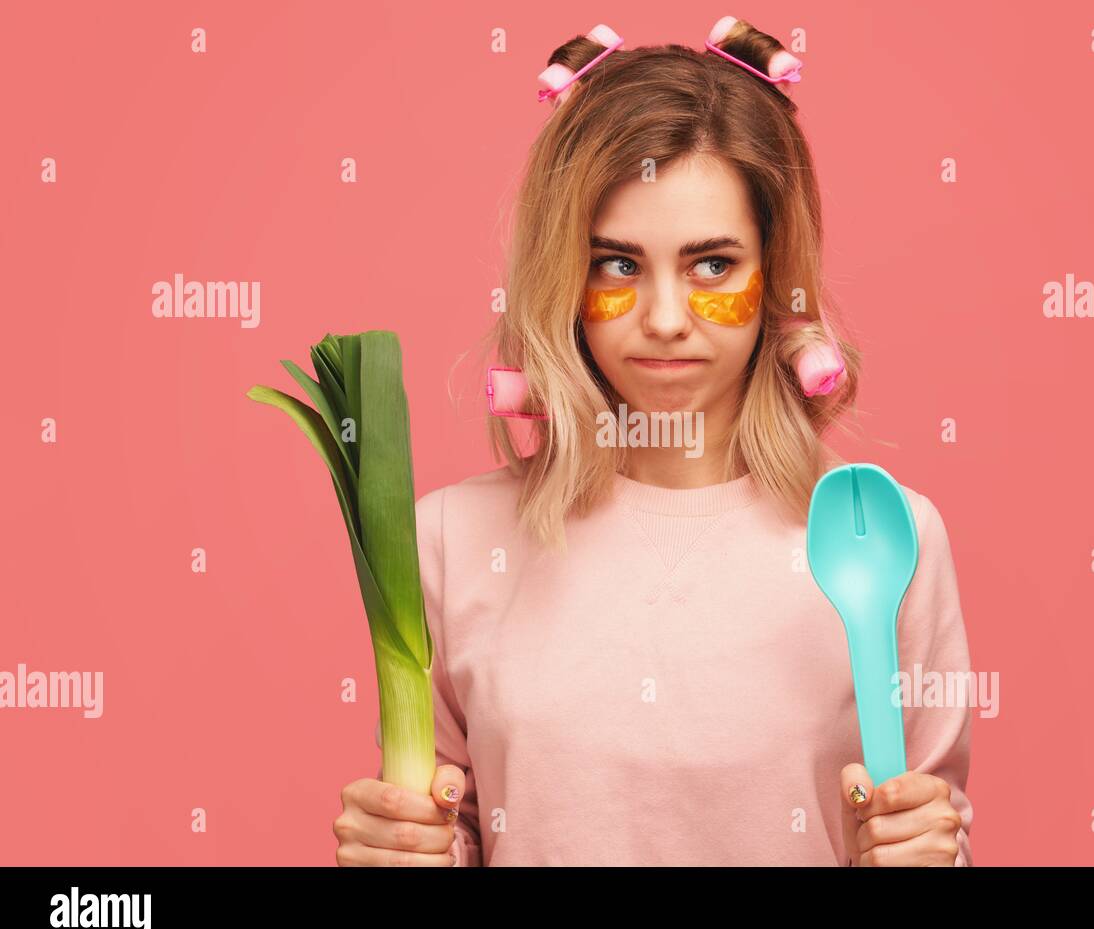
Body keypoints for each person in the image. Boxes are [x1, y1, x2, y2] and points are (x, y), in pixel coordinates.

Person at [333, 16, 973, 867]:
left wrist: (937, 855)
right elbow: (448, 836)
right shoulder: (451, 542)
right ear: (564, 274)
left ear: (775, 271)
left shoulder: (884, 539)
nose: (665, 320)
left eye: (713, 266)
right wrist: (401, 850)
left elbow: (926, 837)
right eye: (618, 264)